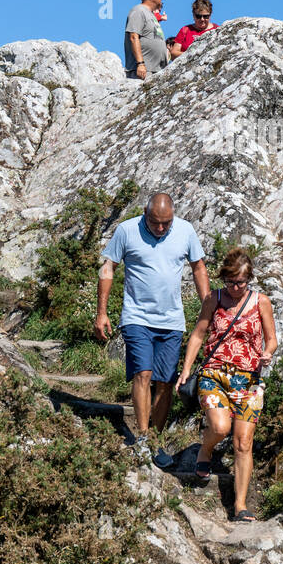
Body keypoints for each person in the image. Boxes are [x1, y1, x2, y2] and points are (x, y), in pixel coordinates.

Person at [96, 193, 209, 467]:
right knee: (143, 373)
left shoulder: (185, 231)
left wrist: (208, 307)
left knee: (166, 382)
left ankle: (156, 442)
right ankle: (143, 438)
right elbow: (108, 267)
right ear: (145, 213)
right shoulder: (127, 230)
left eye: (165, 223)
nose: (160, 228)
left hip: (171, 321)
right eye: (154, 222)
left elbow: (198, 268)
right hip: (136, 317)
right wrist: (101, 312)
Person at [176, 248, 278, 521]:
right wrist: (186, 370)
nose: (235, 288)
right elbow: (199, 334)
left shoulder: (261, 302)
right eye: (230, 282)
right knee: (220, 428)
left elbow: (272, 339)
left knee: (243, 442)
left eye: (241, 282)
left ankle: (240, 505)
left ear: (250, 280)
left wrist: (267, 353)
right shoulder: (214, 299)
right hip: (214, 375)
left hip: (249, 380)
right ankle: (205, 450)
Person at [124, 0, 169, 80]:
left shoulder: (151, 14)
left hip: (156, 70)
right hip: (143, 71)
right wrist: (140, 63)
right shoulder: (138, 11)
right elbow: (133, 37)